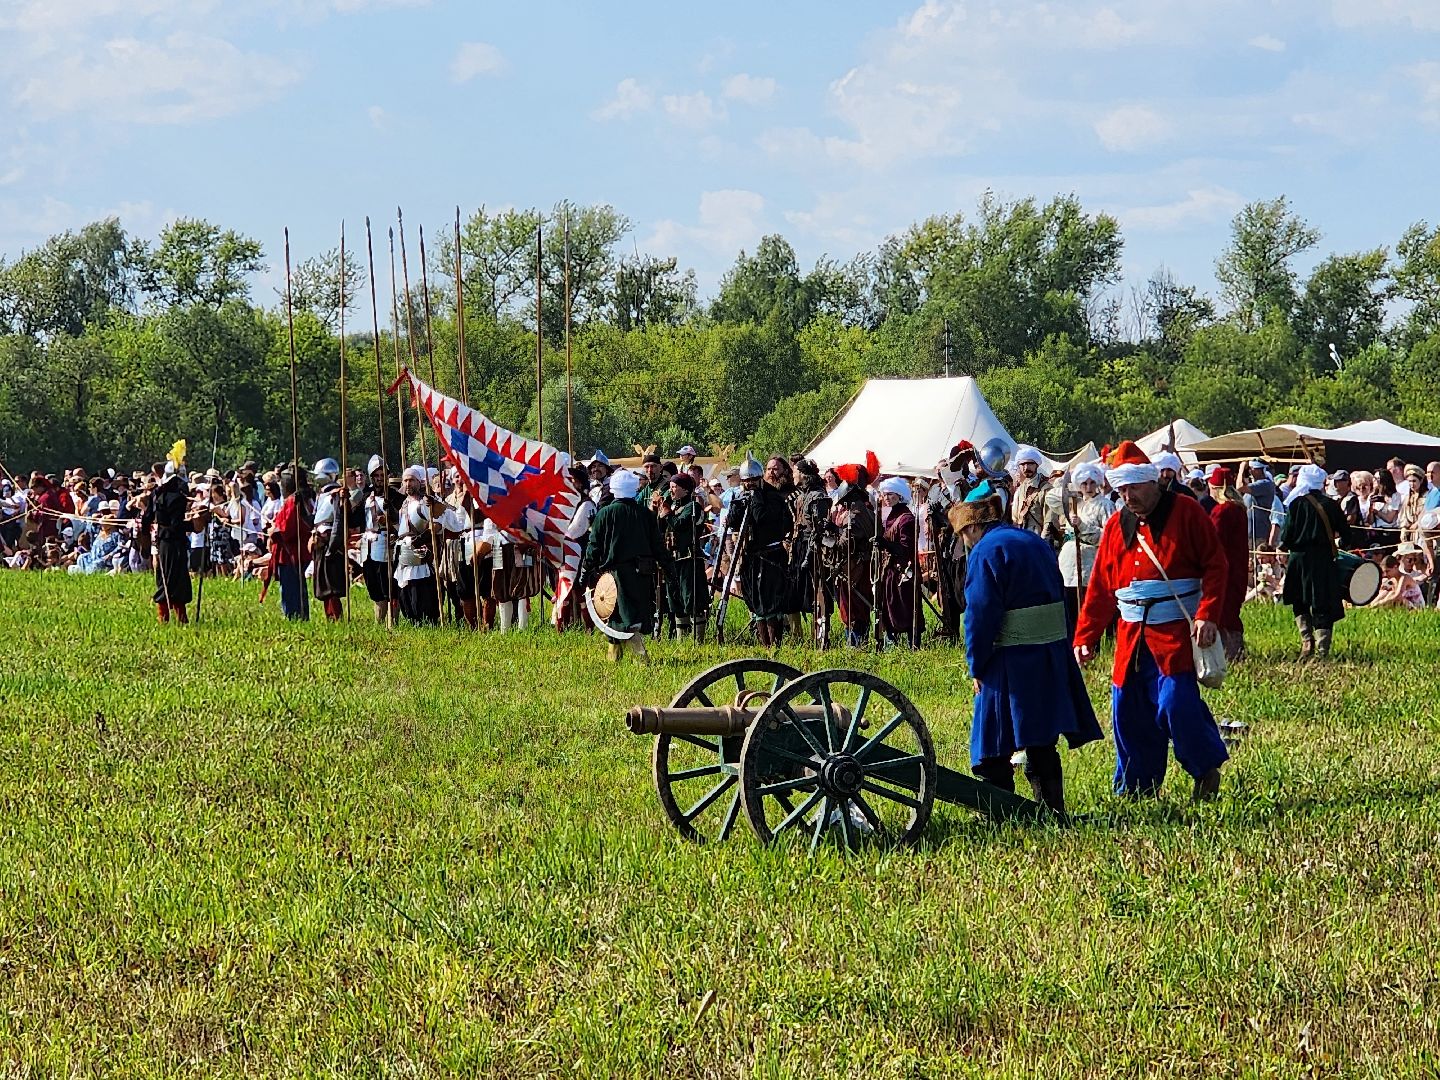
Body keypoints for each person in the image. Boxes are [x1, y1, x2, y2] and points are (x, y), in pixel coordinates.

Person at [1074, 442, 1231, 801]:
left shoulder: (1187, 512)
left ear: (1152, 481)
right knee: (1128, 710)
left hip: (1174, 635)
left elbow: (1216, 565)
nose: (1128, 496)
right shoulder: (1116, 525)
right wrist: (1086, 636)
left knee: (1177, 705)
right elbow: (1101, 586)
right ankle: (1136, 788)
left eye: (1134, 488)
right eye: (1122, 490)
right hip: (1131, 637)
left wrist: (1207, 614)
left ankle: (1205, 768)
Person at [953, 481, 1103, 812]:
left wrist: (977, 665)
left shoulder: (985, 551)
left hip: (1009, 656)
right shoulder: (1034, 541)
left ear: (973, 526)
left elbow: (980, 615)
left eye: (963, 534)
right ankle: (1052, 808)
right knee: (1041, 737)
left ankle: (1002, 812)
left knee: (993, 741)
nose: (965, 541)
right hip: (1049, 653)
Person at [582, 468, 669, 661]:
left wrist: (585, 570)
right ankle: (614, 657)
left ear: (614, 489)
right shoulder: (645, 514)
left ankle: (641, 659)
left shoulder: (605, 514)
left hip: (616, 576)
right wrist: (668, 568)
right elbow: (658, 546)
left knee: (626, 619)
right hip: (642, 574)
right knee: (619, 616)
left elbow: (594, 546)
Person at [1278, 463, 1352, 660]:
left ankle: (1306, 641)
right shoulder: (1331, 505)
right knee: (1322, 603)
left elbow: (1287, 536)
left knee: (1299, 600)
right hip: (1322, 560)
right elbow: (1347, 535)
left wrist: (1283, 548)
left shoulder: (1296, 504)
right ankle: (1322, 650)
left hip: (1299, 560)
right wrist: (1336, 543)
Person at [733, 453, 792, 646]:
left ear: (759, 479)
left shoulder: (773, 497)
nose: (749, 484)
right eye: (746, 481)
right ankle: (765, 645)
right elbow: (733, 522)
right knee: (756, 601)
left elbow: (761, 518)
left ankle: (775, 645)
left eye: (752, 481)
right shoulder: (744, 496)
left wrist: (756, 496)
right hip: (752, 557)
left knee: (770, 602)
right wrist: (738, 504)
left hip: (771, 556)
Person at [139, 461, 207, 623]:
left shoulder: (156, 494)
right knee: (176, 580)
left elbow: (146, 519)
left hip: (162, 542)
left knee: (167, 578)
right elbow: (176, 525)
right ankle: (174, 618)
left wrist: (146, 539)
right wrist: (194, 524)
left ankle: (171, 618)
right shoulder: (177, 498)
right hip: (175, 543)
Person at [1056, 461, 1115, 634]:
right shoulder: (1075, 505)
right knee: (1070, 610)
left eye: (1091, 483)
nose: (1088, 487)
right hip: (1069, 566)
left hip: (1089, 565)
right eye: (1084, 483)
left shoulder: (1105, 505)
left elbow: (1109, 538)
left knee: (1088, 609)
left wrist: (1082, 526)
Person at [822, 477, 876, 647]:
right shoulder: (867, 512)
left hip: (853, 566)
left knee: (853, 607)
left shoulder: (854, 516)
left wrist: (829, 536)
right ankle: (858, 641)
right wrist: (836, 529)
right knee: (857, 606)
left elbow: (846, 543)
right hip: (861, 564)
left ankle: (856, 643)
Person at [657, 472, 710, 640]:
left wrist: (667, 513)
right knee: (676, 601)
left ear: (686, 490)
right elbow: (661, 529)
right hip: (672, 561)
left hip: (688, 560)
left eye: (674, 487)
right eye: (670, 487)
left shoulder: (693, 507)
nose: (671, 491)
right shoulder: (673, 507)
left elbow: (680, 525)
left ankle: (698, 641)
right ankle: (682, 641)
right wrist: (658, 511)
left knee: (692, 600)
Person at [350, 456, 402, 624]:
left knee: (389, 586)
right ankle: (378, 622)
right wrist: (344, 503)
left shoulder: (394, 497)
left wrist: (389, 518)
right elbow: (354, 520)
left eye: (382, 475)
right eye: (376, 476)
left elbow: (403, 522)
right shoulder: (366, 496)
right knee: (374, 588)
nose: (379, 479)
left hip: (387, 543)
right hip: (368, 545)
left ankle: (392, 623)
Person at [1206, 464, 1249, 661]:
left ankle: (1230, 653)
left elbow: (1213, 541)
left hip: (1223, 568)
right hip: (1237, 566)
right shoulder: (1239, 509)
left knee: (1222, 611)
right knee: (1231, 609)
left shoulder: (1222, 511)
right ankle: (1235, 650)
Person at [876, 476, 922, 648]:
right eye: (885, 495)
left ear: (899, 495)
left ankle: (913, 645)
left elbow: (906, 549)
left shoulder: (906, 518)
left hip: (904, 571)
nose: (886, 498)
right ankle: (891, 645)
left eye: (891, 494)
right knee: (890, 607)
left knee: (907, 607)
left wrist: (885, 544)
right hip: (891, 570)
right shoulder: (892, 515)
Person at [308, 458, 349, 621]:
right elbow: (314, 519)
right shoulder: (322, 494)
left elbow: (338, 521)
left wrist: (332, 546)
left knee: (331, 587)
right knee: (323, 585)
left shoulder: (336, 494)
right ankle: (330, 618)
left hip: (329, 543)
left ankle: (336, 618)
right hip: (320, 542)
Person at [269, 471, 312, 621]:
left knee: (291, 589)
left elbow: (286, 530)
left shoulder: (293, 501)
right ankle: (299, 616)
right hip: (294, 553)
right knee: (296, 587)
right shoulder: (299, 500)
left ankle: (294, 617)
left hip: (291, 554)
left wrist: (274, 531)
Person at [1010, 447, 1050, 534]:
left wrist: (1043, 541)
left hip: (1036, 538)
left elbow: (1049, 523)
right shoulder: (1020, 489)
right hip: (1021, 536)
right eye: (1022, 464)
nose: (1026, 467)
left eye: (1030, 464)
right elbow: (1015, 519)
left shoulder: (1046, 489)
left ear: (1037, 465)